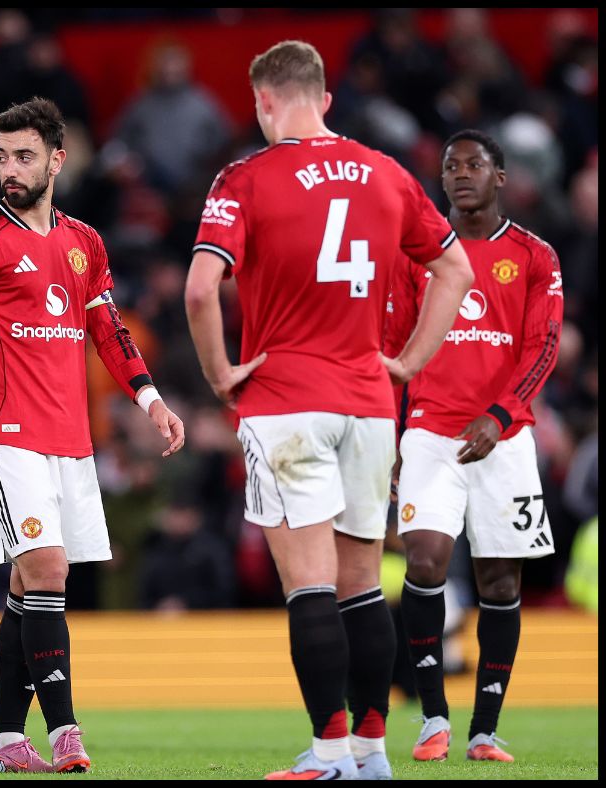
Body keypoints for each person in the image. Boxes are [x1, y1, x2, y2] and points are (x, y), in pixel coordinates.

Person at [184, 40, 474, 780]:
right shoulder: (385, 172)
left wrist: (221, 374)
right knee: (362, 585)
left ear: (263, 102)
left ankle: (329, 751)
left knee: (308, 585)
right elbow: (455, 268)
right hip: (371, 404)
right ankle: (372, 753)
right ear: (326, 99)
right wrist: (408, 362)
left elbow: (197, 288)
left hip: (286, 403)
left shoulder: (245, 177)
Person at [0, 97, 186, 774]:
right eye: (1, 156)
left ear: (58, 160)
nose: (10, 168)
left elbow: (109, 331)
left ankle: (4, 739)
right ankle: (66, 734)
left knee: (32, 588)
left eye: (24, 155)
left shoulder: (85, 242)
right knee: (49, 570)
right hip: (5, 436)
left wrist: (151, 401)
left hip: (70, 439)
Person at [388, 130, 563, 764]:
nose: (461, 174)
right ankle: (433, 716)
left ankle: (484, 729)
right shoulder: (418, 256)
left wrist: (501, 414)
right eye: (451, 167)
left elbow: (544, 347)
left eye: (474, 165)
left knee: (498, 580)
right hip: (431, 433)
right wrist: (392, 435)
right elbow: (395, 350)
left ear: (501, 177)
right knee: (426, 561)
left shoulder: (534, 255)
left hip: (506, 439)